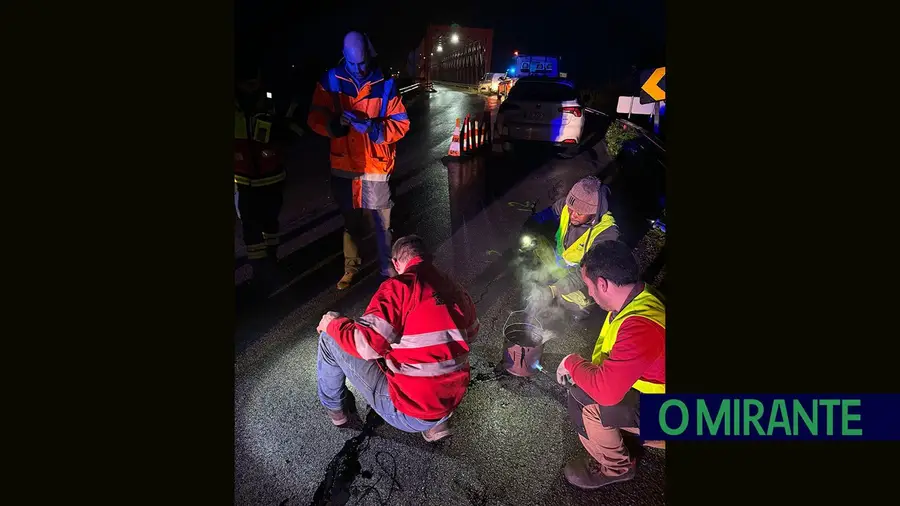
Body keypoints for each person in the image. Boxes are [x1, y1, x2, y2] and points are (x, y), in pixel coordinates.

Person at [315, 235, 479, 441]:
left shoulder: (398, 287)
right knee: (431, 352)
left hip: (409, 411)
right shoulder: (455, 288)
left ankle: (337, 411)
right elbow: (472, 334)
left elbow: (365, 346)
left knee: (329, 339)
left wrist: (331, 324)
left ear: (396, 263)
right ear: (428, 257)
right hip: (450, 399)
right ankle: (437, 425)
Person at [554, 240, 665, 490]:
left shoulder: (640, 327)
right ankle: (628, 430)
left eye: (589, 286)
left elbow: (605, 392)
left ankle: (617, 468)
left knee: (584, 398)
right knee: (591, 386)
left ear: (603, 284)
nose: (590, 293)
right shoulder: (638, 297)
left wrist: (571, 362)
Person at [307, 31, 411, 290]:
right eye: (353, 64)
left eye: (362, 62)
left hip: (376, 166)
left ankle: (388, 268)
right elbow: (315, 117)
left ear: (370, 54)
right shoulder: (330, 80)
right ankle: (350, 268)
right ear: (344, 56)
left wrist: (373, 129)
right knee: (351, 223)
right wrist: (334, 125)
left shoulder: (385, 83)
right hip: (345, 168)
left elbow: (401, 124)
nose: (358, 69)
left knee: (382, 224)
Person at [235, 62, 302, 290]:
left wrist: (279, 134)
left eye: (253, 80)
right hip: (243, 180)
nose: (250, 85)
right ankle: (259, 271)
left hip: (272, 178)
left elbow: (296, 127)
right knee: (250, 227)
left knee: (270, 224)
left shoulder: (273, 99)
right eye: (245, 82)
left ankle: (272, 260)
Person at [525, 176, 620, 318]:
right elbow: (551, 211)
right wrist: (531, 223)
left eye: (579, 213)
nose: (572, 215)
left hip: (580, 271)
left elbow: (588, 273)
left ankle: (583, 303)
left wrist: (554, 290)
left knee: (577, 304)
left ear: (594, 212)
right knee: (533, 244)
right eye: (571, 209)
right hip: (561, 258)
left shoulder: (607, 234)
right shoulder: (569, 205)